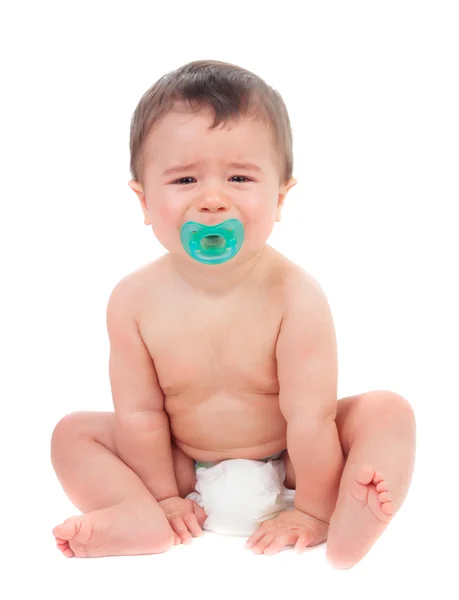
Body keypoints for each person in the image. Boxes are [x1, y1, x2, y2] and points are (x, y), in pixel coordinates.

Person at [51, 60, 416, 569]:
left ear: (280, 197)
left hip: (290, 461)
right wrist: (164, 495)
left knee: (387, 412)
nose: (213, 201)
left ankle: (343, 515)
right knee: (72, 434)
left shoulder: (296, 296)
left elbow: (311, 418)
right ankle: (139, 514)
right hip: (184, 464)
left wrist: (308, 506)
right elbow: (140, 414)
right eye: (184, 180)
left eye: (240, 176)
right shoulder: (132, 300)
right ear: (144, 199)